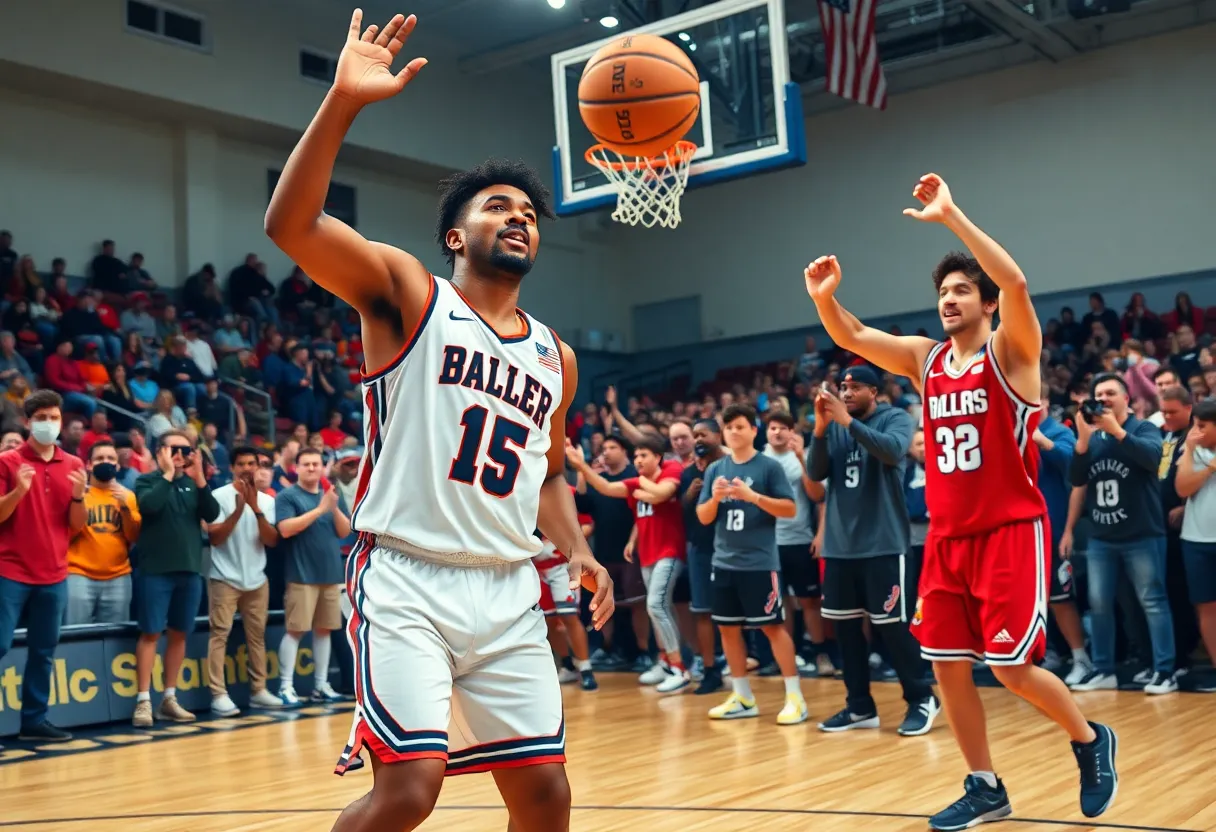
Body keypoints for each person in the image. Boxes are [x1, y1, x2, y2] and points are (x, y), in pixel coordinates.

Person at [264, 13, 613, 827]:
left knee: (546, 795)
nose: (520, 216)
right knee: (410, 792)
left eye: (529, 210)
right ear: (458, 234)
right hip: (406, 577)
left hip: (506, 586)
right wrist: (343, 104)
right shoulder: (412, 295)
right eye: (499, 206)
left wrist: (580, 548)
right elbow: (291, 226)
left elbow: (550, 470)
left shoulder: (555, 357)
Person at [804, 173, 1117, 828]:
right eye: (942, 291)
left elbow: (1020, 284)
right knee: (944, 664)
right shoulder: (927, 359)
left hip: (1010, 529)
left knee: (1009, 669)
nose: (948, 299)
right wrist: (826, 301)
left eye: (960, 290)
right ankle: (984, 785)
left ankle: (1090, 740)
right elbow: (856, 337)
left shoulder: (1012, 351)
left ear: (985, 302)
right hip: (946, 537)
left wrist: (951, 218)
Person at [808, 367, 939, 736]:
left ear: (874, 392)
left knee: (894, 629)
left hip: (884, 542)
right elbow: (816, 473)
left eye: (854, 387)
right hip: (840, 545)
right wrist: (819, 429)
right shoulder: (831, 424)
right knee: (846, 631)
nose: (846, 392)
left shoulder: (894, 417)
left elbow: (893, 451)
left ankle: (921, 698)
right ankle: (859, 706)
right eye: (842, 387)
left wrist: (846, 420)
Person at [1062, 373, 1175, 694]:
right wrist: (1082, 442)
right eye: (1099, 394)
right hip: (1101, 537)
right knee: (1098, 604)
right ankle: (1104, 669)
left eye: (1111, 392)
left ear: (1127, 399)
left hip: (1143, 533)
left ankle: (1165, 671)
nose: (1104, 399)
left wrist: (1118, 432)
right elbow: (1077, 479)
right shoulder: (1093, 438)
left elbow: (1155, 461)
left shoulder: (1145, 428)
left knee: (1153, 602)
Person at [696, 403, 807, 724]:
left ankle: (795, 697)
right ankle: (743, 697)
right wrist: (715, 499)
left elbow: (789, 509)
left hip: (760, 562)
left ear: (753, 431)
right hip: (724, 562)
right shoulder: (716, 469)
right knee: (728, 630)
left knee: (772, 627)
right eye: (729, 427)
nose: (734, 432)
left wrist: (753, 497)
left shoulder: (768, 467)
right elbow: (703, 517)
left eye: (740, 426)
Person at [567, 434, 688, 692]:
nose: (638, 460)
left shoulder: (671, 470)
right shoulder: (636, 482)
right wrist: (581, 466)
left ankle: (679, 668)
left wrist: (639, 483)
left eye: (643, 455)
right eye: (637, 456)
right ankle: (665, 661)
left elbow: (659, 495)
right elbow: (606, 488)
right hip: (647, 551)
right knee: (658, 607)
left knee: (655, 605)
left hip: (670, 550)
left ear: (658, 457)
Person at [0, 390, 87, 744]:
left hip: (54, 573)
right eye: (42, 419)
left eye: (54, 418)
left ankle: (34, 721)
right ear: (27, 422)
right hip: (10, 571)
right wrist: (19, 491)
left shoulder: (74, 465)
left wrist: (80, 496)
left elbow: (77, 525)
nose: (49, 424)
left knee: (44, 651)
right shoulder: (7, 462)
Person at [132, 429, 220, 727]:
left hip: (190, 570)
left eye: (185, 450)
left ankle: (169, 698)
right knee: (151, 633)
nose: (180, 455)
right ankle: (143, 701)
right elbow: (149, 507)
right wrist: (168, 474)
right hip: (155, 570)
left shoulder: (194, 485)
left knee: (180, 633)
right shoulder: (146, 481)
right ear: (160, 452)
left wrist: (200, 479)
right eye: (174, 450)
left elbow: (212, 513)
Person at [206, 447, 283, 716]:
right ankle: (218, 694)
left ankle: (259, 691)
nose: (248, 468)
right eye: (242, 464)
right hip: (224, 578)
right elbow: (215, 537)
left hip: (257, 579)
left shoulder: (268, 501)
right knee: (219, 636)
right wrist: (239, 510)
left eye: (253, 463)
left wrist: (254, 508)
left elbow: (271, 540)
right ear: (232, 468)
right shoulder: (218, 497)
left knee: (257, 638)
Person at [274, 447, 350, 706]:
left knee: (324, 631)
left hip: (330, 574)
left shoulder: (330, 496)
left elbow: (344, 531)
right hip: (301, 574)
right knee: (295, 630)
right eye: (306, 464)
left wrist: (333, 507)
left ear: (322, 468)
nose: (311, 468)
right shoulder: (287, 497)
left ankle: (321, 685)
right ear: (296, 467)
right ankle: (285, 686)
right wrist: (320, 510)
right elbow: (285, 529)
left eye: (316, 464)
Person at [763, 410, 833, 676]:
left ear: (792, 432)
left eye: (783, 427)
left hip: (800, 539)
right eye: (772, 428)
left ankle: (820, 654)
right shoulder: (760, 460)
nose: (777, 432)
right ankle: (788, 657)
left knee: (809, 602)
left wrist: (820, 535)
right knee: (780, 603)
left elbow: (818, 496)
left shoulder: (803, 458)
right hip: (769, 543)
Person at [1032, 385, 1092, 686]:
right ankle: (1046, 651)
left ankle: (1081, 657)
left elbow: (1073, 467)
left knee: (1061, 598)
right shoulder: (1011, 430)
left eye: (1033, 398)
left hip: (1053, 530)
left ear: (1044, 401)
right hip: (1020, 530)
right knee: (1031, 600)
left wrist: (1043, 443)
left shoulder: (1057, 431)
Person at [65, 440, 140, 625]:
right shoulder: (77, 494)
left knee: (114, 638)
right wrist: (78, 499)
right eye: (99, 458)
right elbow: (68, 534)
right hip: (78, 574)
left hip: (118, 577)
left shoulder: (128, 496)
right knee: (76, 635)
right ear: (89, 464)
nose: (105, 462)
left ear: (117, 464)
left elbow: (134, 537)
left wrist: (124, 508)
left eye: (110, 458)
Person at [679, 418, 725, 693]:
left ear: (718, 436)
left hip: (731, 546)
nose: (698, 440)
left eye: (703, 434)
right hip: (700, 548)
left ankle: (745, 665)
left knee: (734, 614)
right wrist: (689, 495)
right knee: (703, 611)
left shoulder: (731, 466)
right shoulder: (687, 474)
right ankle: (710, 670)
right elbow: (683, 513)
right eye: (694, 435)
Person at [1174, 399, 1216, 689]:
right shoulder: (1190, 450)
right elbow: (1183, 487)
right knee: (1206, 606)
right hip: (1196, 539)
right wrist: (1207, 465)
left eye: (1202, 426)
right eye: (1194, 425)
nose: (1195, 431)